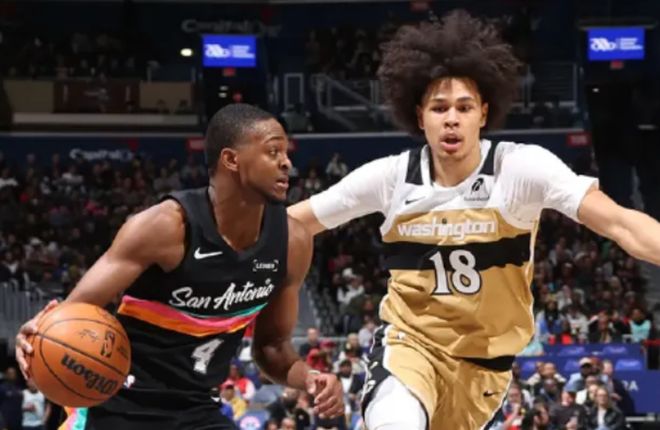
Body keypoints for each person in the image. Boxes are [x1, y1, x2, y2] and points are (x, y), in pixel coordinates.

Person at [288, 10, 660, 430]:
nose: (451, 118)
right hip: (409, 347)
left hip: (484, 371)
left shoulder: (520, 169)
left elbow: (620, 223)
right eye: (439, 107)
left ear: (483, 113)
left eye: (463, 107)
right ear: (420, 116)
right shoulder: (390, 178)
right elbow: (293, 223)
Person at [15, 104, 343, 429]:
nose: (286, 163)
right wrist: (37, 337)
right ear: (231, 160)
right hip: (115, 405)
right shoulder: (165, 227)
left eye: (286, 152)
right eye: (273, 152)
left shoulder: (292, 241)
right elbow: (71, 314)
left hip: (196, 408)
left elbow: (272, 348)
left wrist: (310, 378)